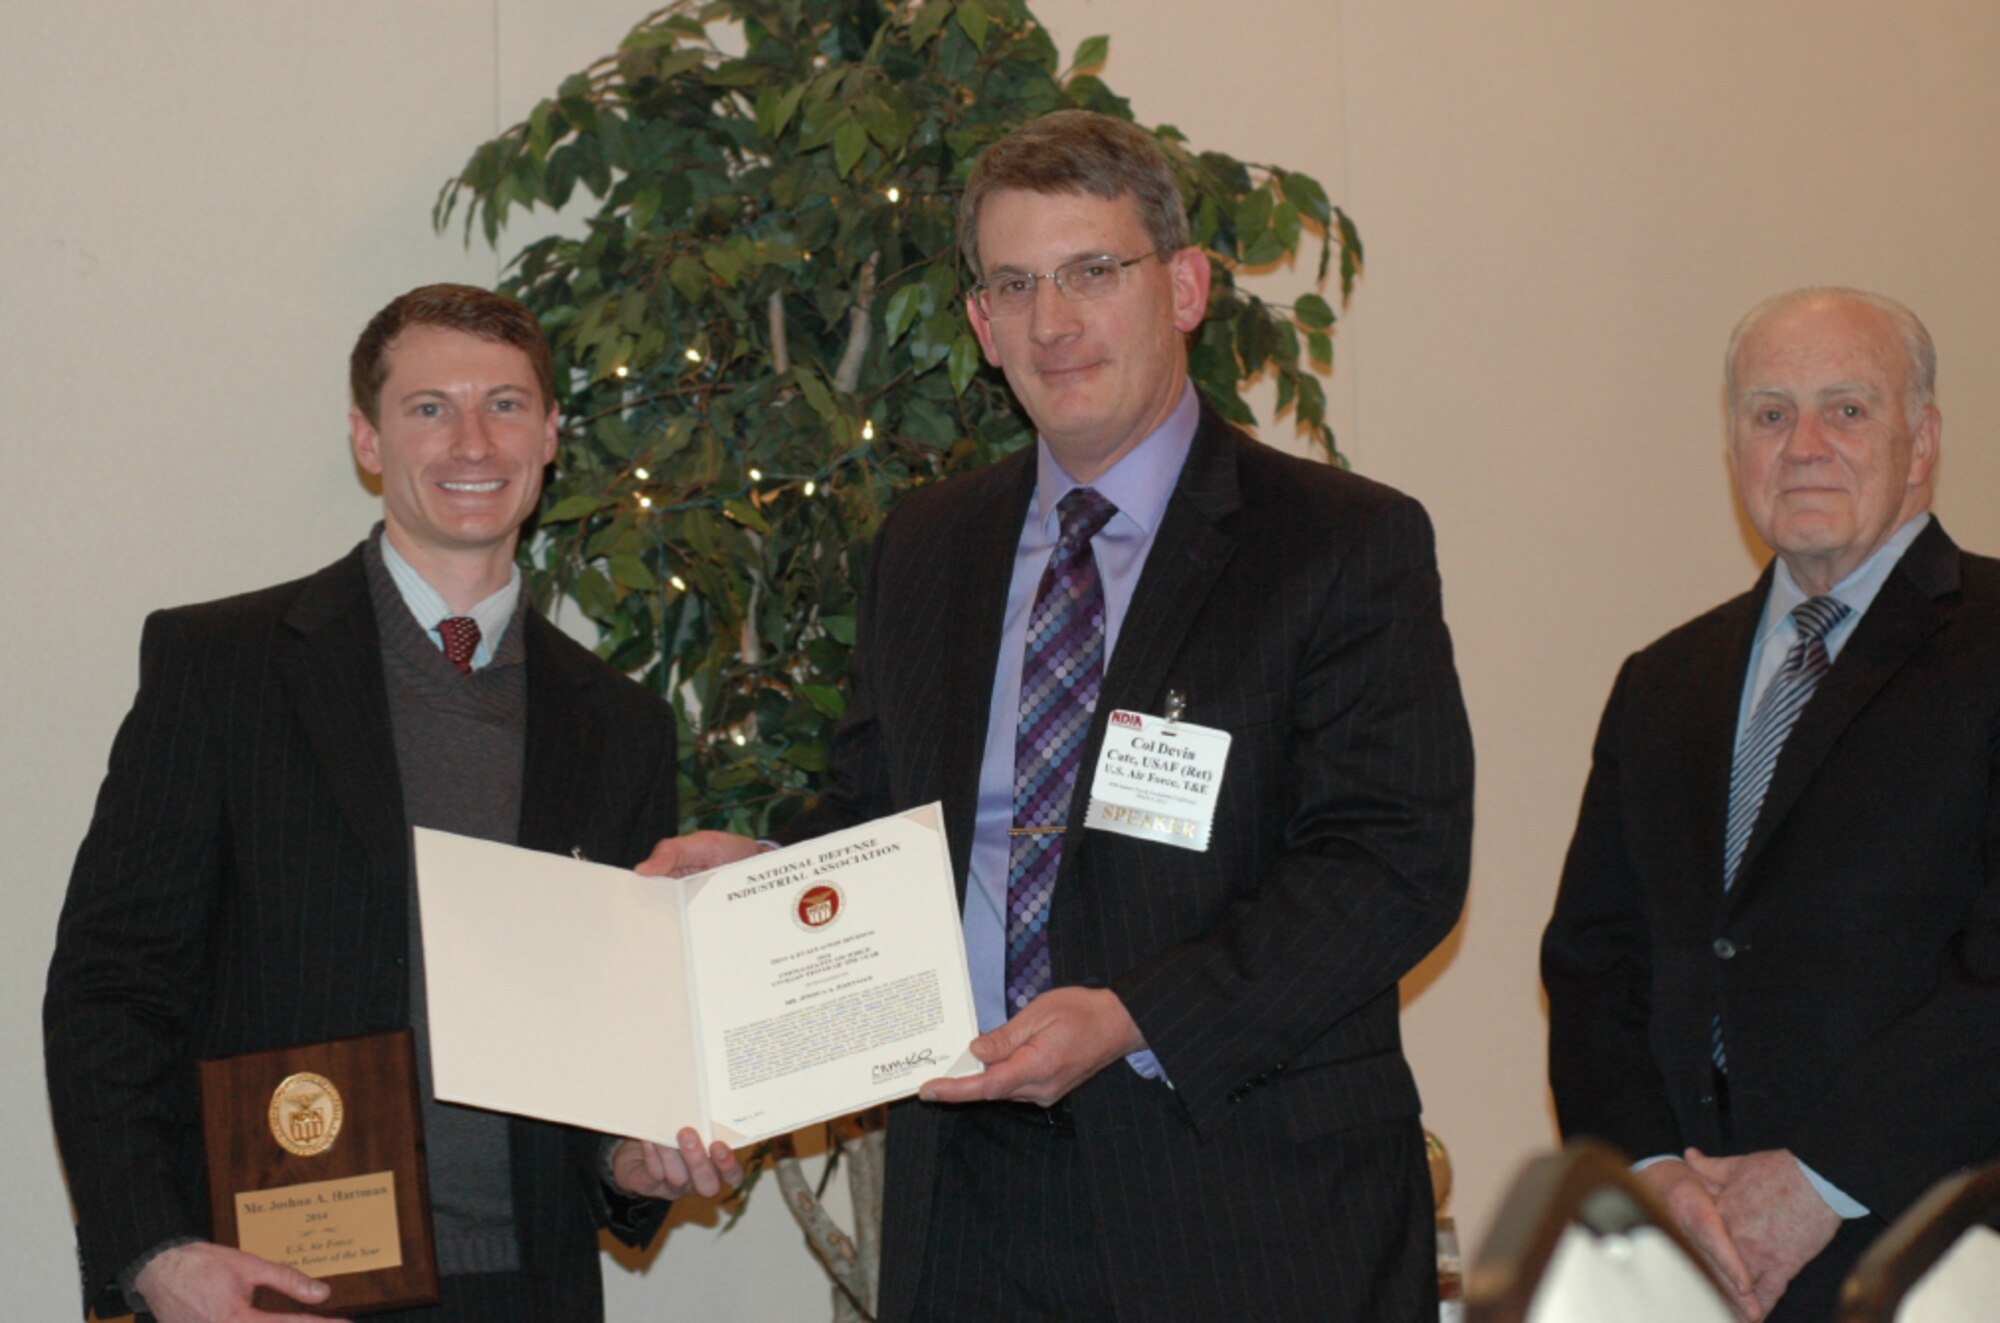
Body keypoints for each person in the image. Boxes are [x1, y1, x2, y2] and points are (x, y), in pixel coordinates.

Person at [644, 110, 1473, 1321]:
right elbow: (882, 819)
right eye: (1014, 285)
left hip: (1246, 1199)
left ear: (1184, 287)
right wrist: (766, 879)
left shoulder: (1339, 543)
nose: (1053, 322)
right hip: (969, 1203)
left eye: (1093, 272)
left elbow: (1391, 863)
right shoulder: (926, 549)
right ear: (980, 325)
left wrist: (1133, 1016)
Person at [44, 284, 740, 1323]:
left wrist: (628, 1163)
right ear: (368, 439)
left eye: (505, 405)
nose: (472, 441)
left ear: (551, 436)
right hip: (271, 1287)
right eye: (428, 408)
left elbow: (606, 1040)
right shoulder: (221, 669)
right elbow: (110, 988)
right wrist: (156, 1251)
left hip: (526, 1292)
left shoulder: (619, 723)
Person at [1543, 287, 2000, 1322]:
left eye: (1845, 409)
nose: (1800, 445)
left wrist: (1812, 1183)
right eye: (1766, 412)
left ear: (1919, 441)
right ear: (1732, 449)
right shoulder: (1661, 681)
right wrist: (1652, 1177)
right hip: (1687, 1264)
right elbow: (1590, 963)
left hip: (1936, 1256)